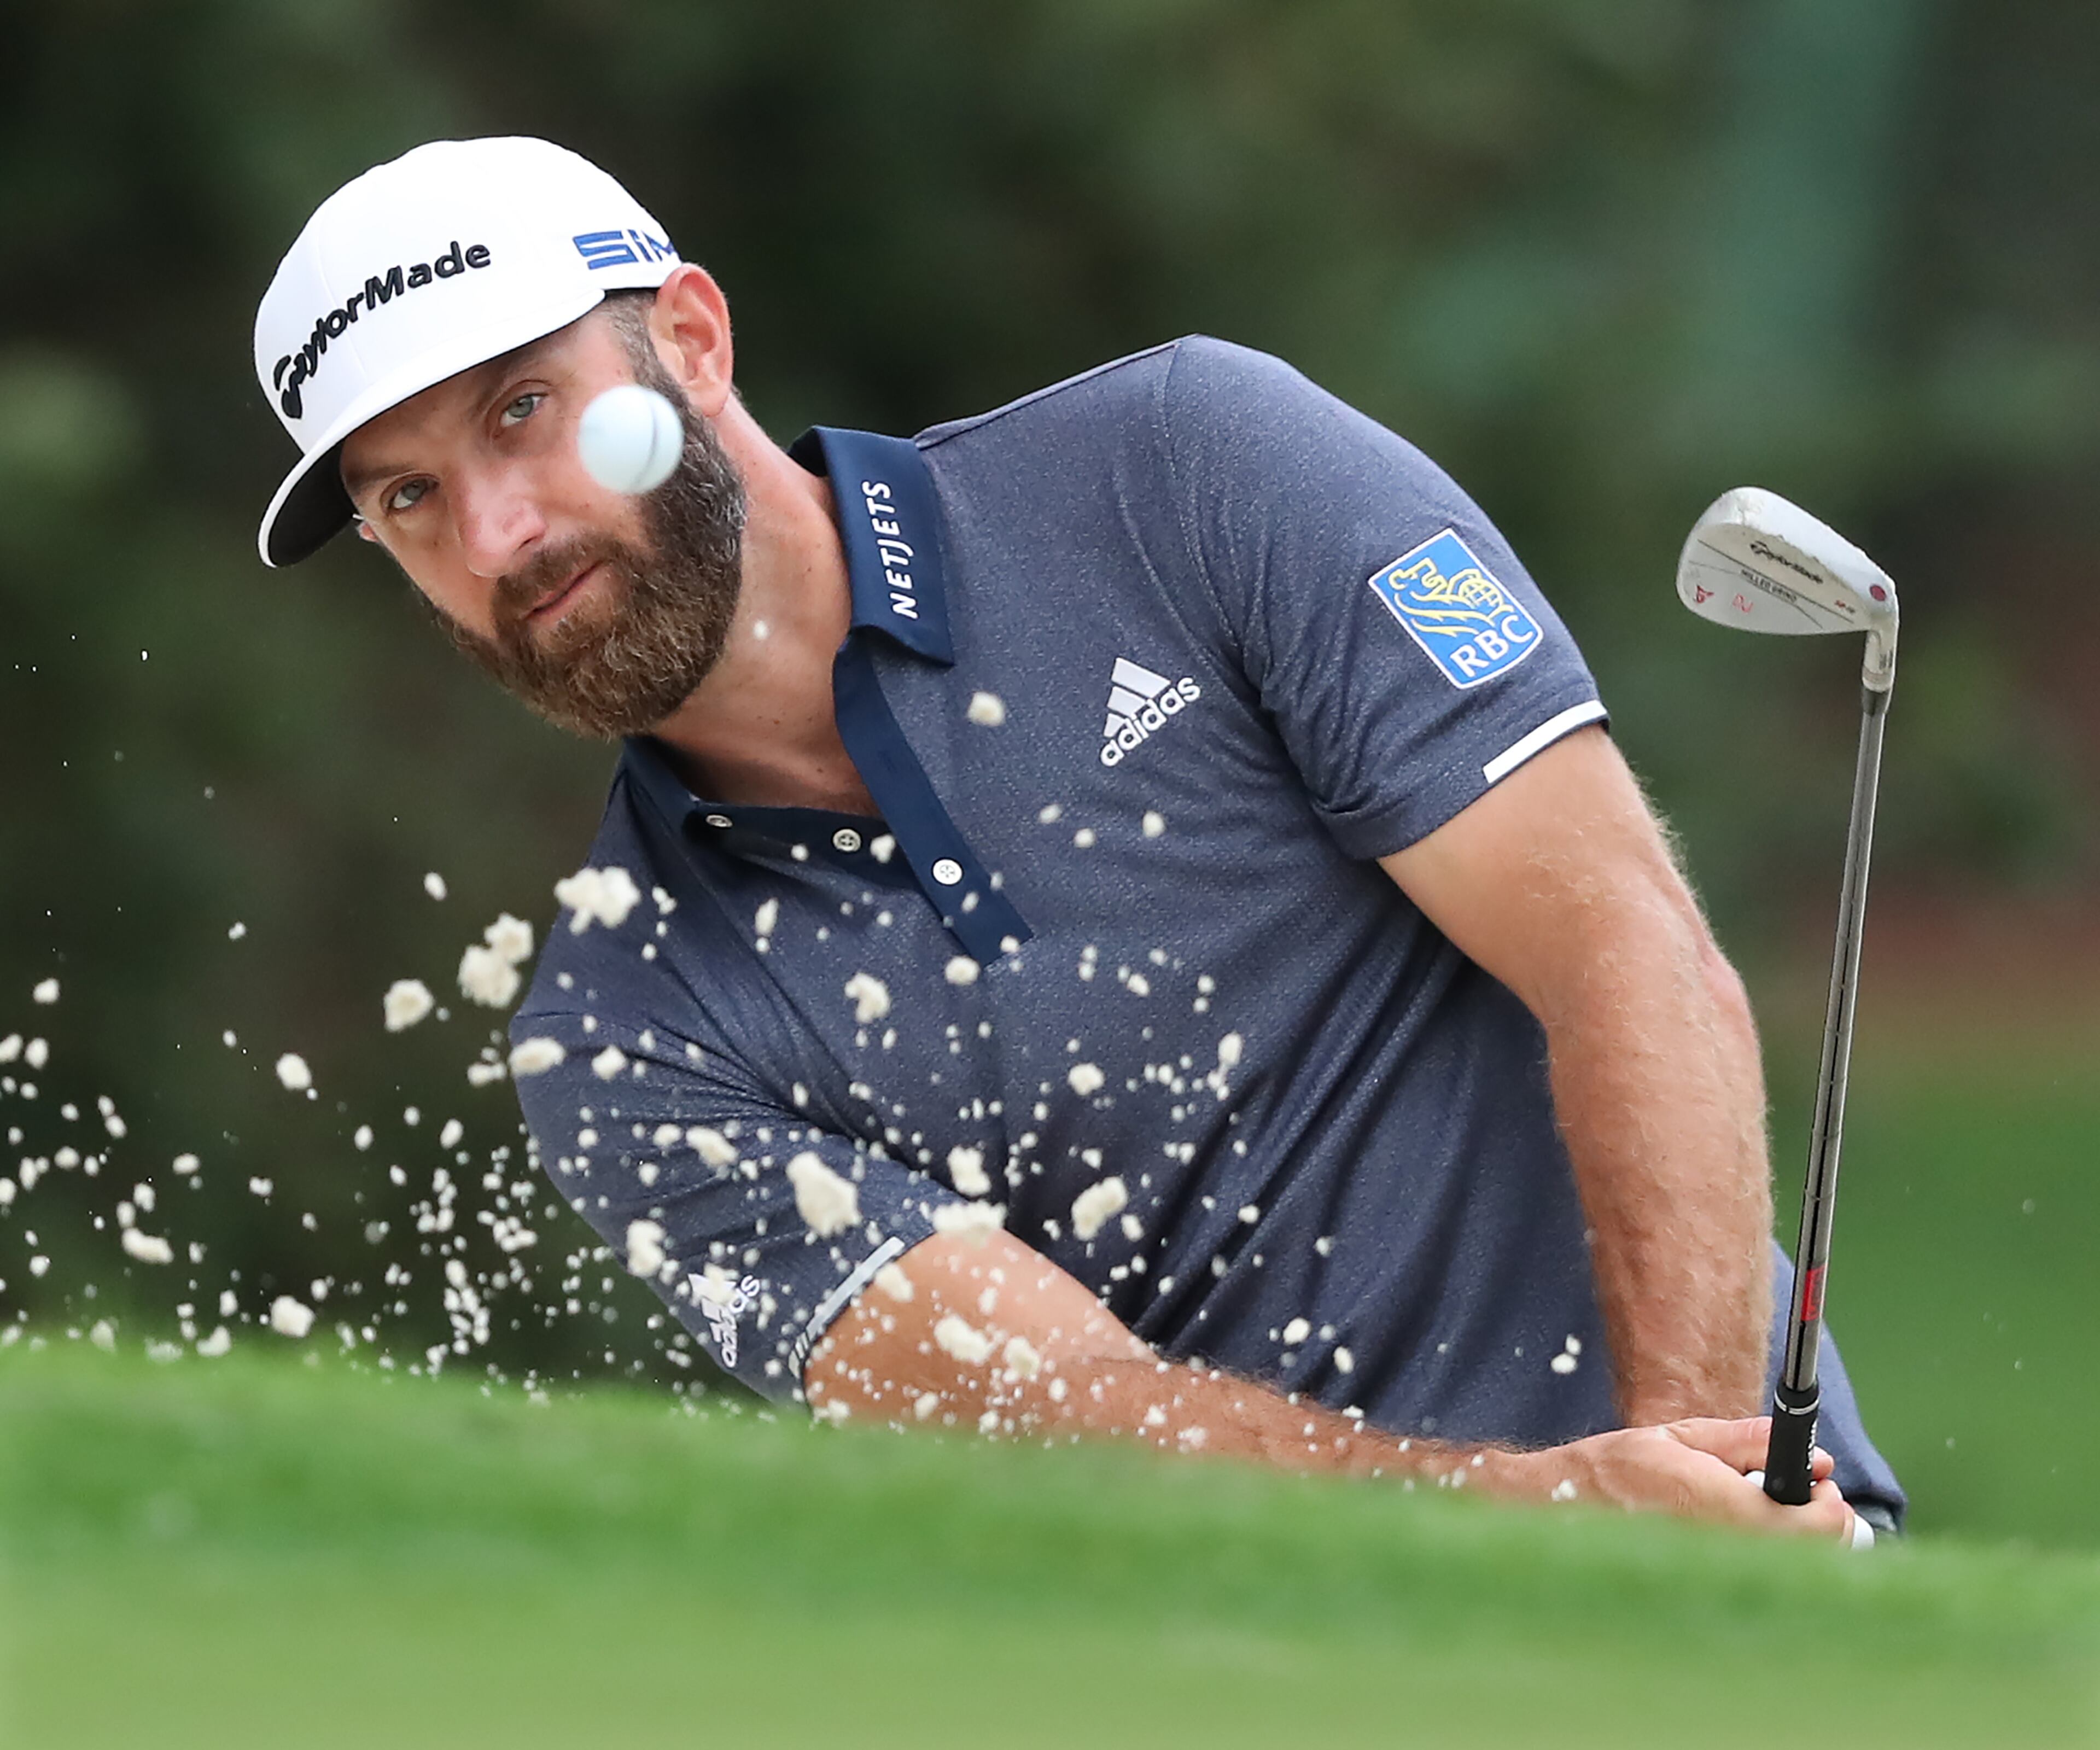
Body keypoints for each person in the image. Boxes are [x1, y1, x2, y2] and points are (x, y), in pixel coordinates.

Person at [253, 136, 1905, 1540]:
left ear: (689, 340)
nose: (497, 535)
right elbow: (1053, 1414)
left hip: (1747, 1577)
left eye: (523, 410)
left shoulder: (1186, 471)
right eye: (408, 498)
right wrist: (1543, 1520)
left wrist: (1691, 1517)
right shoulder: (623, 1038)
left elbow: (1618, 950)